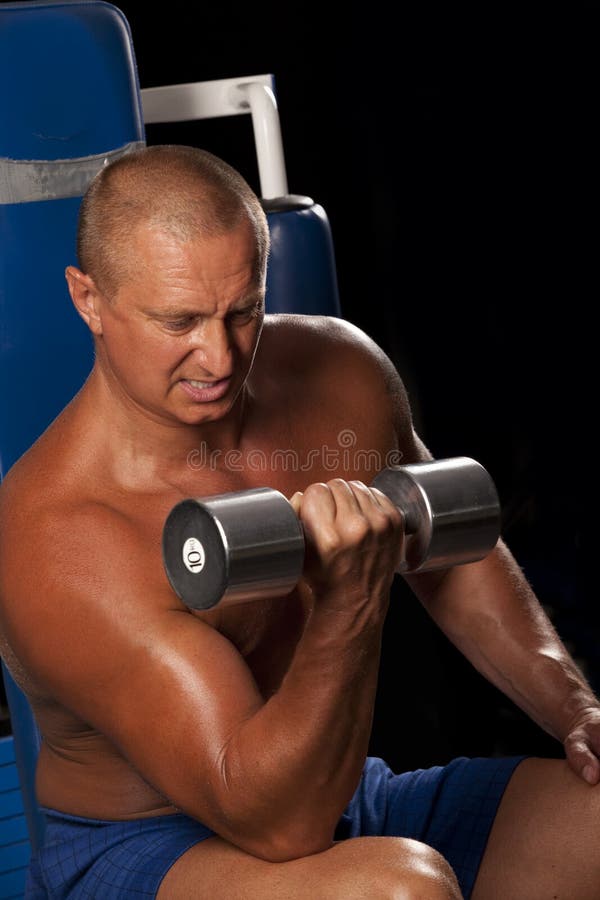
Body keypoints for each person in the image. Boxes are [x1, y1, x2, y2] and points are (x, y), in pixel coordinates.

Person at [0, 144, 598, 900]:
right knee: (398, 892)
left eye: (242, 310)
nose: (217, 355)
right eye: (177, 321)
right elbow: (278, 826)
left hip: (342, 793)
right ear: (89, 300)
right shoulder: (62, 537)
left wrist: (574, 706)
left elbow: (451, 545)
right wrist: (351, 598)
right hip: (151, 847)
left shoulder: (336, 374)